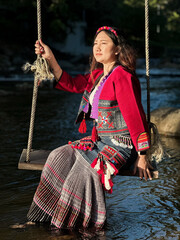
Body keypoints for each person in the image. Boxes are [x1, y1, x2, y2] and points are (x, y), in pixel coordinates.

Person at [27, 26, 152, 230]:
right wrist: (50, 58)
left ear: (118, 49)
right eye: (95, 43)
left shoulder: (122, 76)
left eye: (104, 43)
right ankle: (42, 219)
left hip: (122, 146)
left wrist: (143, 155)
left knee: (85, 170)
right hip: (100, 142)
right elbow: (71, 83)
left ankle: (76, 225)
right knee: (59, 156)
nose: (97, 47)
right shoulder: (97, 76)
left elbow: (134, 116)